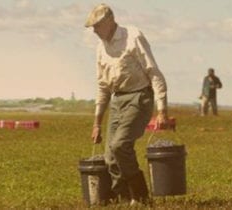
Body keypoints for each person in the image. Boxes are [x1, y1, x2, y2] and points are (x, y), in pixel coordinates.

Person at [85, 3, 168, 205]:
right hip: (117, 100)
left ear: (109, 21)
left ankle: (140, 196)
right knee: (110, 156)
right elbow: (103, 86)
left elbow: (153, 72)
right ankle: (123, 198)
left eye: (96, 26)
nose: (94, 31)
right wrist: (97, 122)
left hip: (139, 96)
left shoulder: (132, 36)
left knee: (120, 144)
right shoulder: (100, 48)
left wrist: (162, 110)